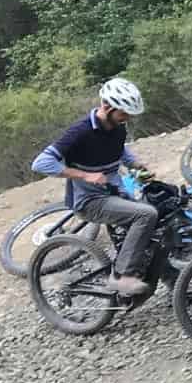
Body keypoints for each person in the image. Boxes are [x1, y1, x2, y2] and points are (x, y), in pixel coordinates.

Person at [30, 80, 155, 296]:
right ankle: (121, 276)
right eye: (124, 113)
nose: (128, 118)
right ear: (107, 107)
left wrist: (135, 163)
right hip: (90, 201)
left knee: (159, 223)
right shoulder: (80, 132)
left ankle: (178, 286)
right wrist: (85, 175)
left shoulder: (117, 127)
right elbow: (40, 163)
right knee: (146, 215)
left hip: (115, 193)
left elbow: (120, 150)